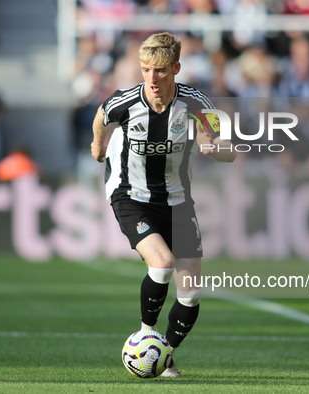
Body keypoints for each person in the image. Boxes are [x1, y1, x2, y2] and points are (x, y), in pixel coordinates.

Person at [91, 32, 234, 377]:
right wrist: (98, 146)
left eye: (160, 71)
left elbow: (226, 144)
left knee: (191, 294)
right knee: (162, 262)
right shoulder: (125, 102)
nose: (152, 79)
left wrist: (216, 148)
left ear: (176, 68)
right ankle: (145, 334)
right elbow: (101, 116)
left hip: (178, 201)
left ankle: (164, 354)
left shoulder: (198, 104)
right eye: (145, 70)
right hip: (130, 195)